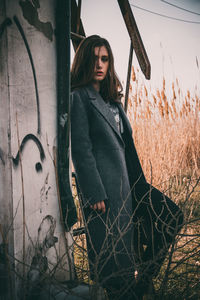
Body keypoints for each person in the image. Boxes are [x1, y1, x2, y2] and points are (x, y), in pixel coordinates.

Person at [70, 35, 184, 300]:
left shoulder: (113, 103)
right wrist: (94, 192)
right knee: (114, 264)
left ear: (110, 64)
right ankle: (129, 290)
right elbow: (81, 149)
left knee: (172, 217)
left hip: (134, 184)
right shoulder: (80, 98)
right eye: (94, 58)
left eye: (105, 59)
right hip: (108, 192)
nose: (99, 64)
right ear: (85, 61)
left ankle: (143, 279)